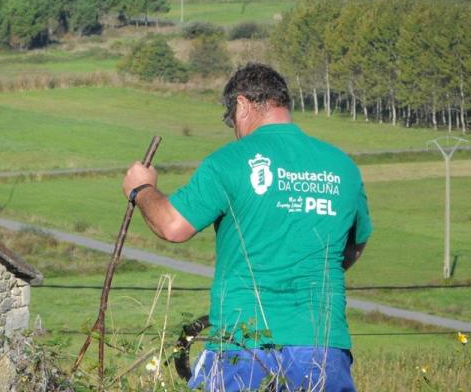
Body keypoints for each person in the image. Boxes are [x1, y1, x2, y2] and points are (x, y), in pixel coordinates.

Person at [122, 62, 372, 391]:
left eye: (231, 121)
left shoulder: (230, 161)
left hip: (242, 344)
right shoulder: (342, 167)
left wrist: (141, 190)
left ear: (242, 105)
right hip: (323, 345)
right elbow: (354, 246)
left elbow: (172, 225)